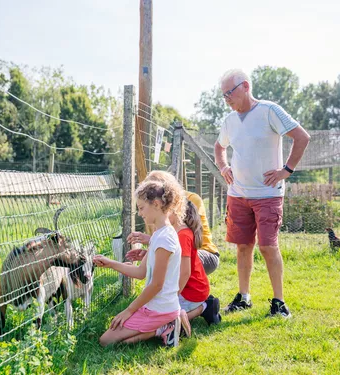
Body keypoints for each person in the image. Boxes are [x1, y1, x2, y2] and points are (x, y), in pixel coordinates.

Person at [214, 69, 310, 317]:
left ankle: (279, 303)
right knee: (243, 246)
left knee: (268, 247)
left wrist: (286, 170)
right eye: (223, 95)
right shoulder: (229, 121)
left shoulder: (269, 111)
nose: (226, 99)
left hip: (268, 194)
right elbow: (219, 146)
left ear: (245, 86)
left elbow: (301, 137)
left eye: (229, 93)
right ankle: (244, 297)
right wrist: (223, 166)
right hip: (238, 194)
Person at [93, 179, 189, 347]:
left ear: (157, 204)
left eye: (141, 208)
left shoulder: (165, 239)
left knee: (106, 342)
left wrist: (129, 310)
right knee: (110, 341)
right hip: (156, 305)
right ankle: (165, 325)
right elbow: (140, 273)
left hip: (160, 308)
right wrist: (111, 263)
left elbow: (157, 285)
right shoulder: (159, 235)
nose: (139, 213)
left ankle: (166, 326)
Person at [127, 170, 220, 275]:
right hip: (181, 252)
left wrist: (150, 240)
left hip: (204, 252)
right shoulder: (157, 208)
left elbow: (187, 240)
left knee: (175, 264)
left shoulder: (191, 199)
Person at [171, 200, 221, 326]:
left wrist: (172, 295)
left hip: (192, 292)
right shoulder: (181, 233)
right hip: (190, 289)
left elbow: (185, 272)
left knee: (170, 320)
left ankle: (205, 306)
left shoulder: (183, 236)